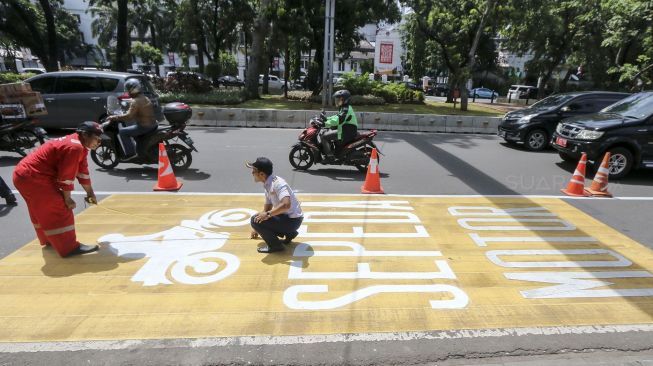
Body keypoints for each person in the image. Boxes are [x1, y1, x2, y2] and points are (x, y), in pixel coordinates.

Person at [13, 122, 102, 257]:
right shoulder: (74, 148)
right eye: (97, 138)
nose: (99, 142)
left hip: (24, 175)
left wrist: (90, 193)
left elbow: (83, 172)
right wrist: (67, 199)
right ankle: (69, 248)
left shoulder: (79, 145)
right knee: (59, 209)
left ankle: (50, 240)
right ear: (85, 135)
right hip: (33, 178)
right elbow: (66, 178)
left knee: (41, 209)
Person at [247, 157, 303, 253]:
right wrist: (257, 228)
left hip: (292, 221)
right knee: (257, 219)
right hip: (288, 219)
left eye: (254, 170)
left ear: (261, 174)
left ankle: (275, 246)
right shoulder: (267, 184)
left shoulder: (278, 184)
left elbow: (286, 205)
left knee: (254, 219)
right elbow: (268, 206)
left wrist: (264, 217)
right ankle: (290, 233)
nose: (252, 173)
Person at [104, 79, 157, 160]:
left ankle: (131, 154)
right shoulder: (144, 97)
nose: (127, 92)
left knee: (123, 132)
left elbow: (129, 116)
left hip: (144, 126)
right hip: (152, 123)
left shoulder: (135, 101)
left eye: (128, 90)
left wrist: (114, 117)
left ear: (132, 90)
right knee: (132, 126)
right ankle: (140, 150)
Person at [321, 89, 358, 160]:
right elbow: (336, 117)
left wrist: (324, 124)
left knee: (324, 137)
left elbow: (338, 120)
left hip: (346, 132)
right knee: (327, 131)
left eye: (339, 99)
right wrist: (326, 119)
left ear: (345, 100)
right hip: (345, 130)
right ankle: (334, 151)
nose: (337, 101)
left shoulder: (346, 109)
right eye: (336, 99)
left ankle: (329, 156)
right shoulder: (344, 108)